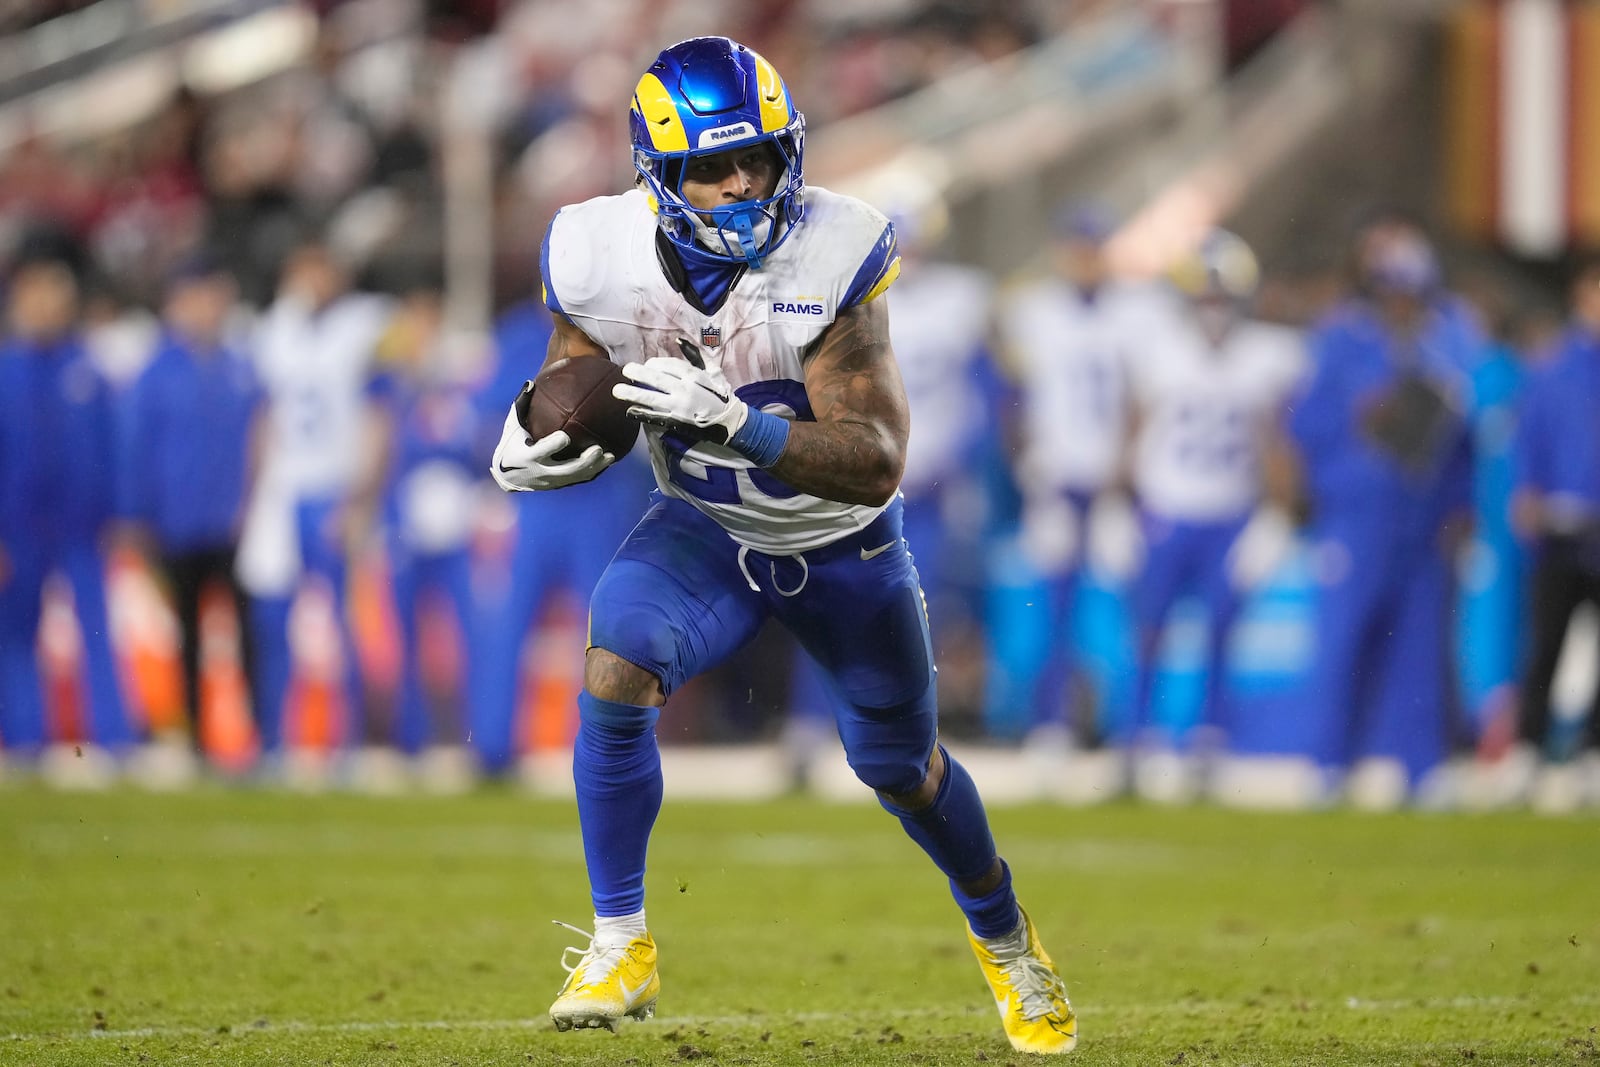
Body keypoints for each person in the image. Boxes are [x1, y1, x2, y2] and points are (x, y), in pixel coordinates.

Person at [488, 37, 1076, 1055]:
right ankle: (621, 937)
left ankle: (1008, 938)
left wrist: (738, 422)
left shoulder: (836, 249)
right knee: (615, 662)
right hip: (707, 527)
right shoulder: (592, 249)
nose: (741, 182)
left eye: (757, 157)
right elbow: (575, 376)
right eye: (713, 167)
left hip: (843, 545)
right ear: (657, 175)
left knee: (901, 766)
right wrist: (538, 438)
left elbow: (876, 456)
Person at [1286, 224, 1481, 807]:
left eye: (1409, 290)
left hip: (1421, 522)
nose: (1400, 302)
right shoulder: (1342, 343)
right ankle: (1329, 765)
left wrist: (1462, 507)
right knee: (1344, 641)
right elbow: (1306, 427)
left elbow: (1467, 442)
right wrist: (1354, 434)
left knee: (1420, 649)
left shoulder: (1451, 344)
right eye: (1390, 289)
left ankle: (1421, 768)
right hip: (1357, 515)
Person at [1113, 230, 1306, 799]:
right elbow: (1133, 430)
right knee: (1148, 634)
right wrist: (1115, 504)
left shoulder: (1266, 357)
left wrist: (1278, 517)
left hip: (1229, 516)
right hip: (1167, 511)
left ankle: (1207, 750)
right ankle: (1134, 746)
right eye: (1205, 297)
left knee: (1222, 637)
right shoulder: (1160, 351)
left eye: (1223, 298)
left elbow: (1277, 444)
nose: (1214, 309)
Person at [0, 254, 139, 777]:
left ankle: (112, 739)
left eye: (55, 297)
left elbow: (113, 448)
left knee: (97, 630)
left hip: (83, 523)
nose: (46, 308)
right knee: (15, 633)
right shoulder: (6, 371)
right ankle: (23, 741)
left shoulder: (88, 369)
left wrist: (120, 513)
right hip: (18, 527)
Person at [124, 256, 262, 757]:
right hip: (177, 522)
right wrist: (138, 516)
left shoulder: (238, 364)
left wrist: (254, 503)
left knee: (247, 631)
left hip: (233, 521)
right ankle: (195, 738)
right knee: (186, 632)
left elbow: (261, 435)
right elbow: (135, 449)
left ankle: (256, 735)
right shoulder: (156, 370)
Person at [1509, 260, 1600, 810]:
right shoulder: (1554, 368)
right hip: (1561, 529)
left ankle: (1592, 751)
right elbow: (1529, 440)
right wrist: (1527, 494)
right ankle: (1530, 749)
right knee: (1546, 642)